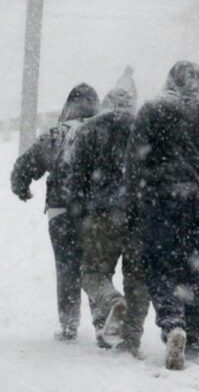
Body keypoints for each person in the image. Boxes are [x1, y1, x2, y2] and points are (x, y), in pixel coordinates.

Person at [124, 61, 199, 370]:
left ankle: (172, 323)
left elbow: (135, 164)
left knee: (159, 266)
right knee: (197, 270)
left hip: (160, 203)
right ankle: (193, 338)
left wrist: (133, 206)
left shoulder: (151, 111)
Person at [10, 83, 100, 341]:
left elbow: (25, 165)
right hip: (98, 212)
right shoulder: (103, 131)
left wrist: (21, 188)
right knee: (96, 266)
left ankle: (69, 324)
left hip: (61, 211)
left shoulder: (56, 134)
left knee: (67, 266)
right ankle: (103, 322)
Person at [67, 87, 149, 355]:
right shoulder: (144, 129)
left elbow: (77, 176)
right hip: (140, 215)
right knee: (137, 279)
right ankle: (132, 338)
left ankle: (112, 301)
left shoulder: (90, 129)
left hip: (101, 215)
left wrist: (78, 212)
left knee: (93, 274)